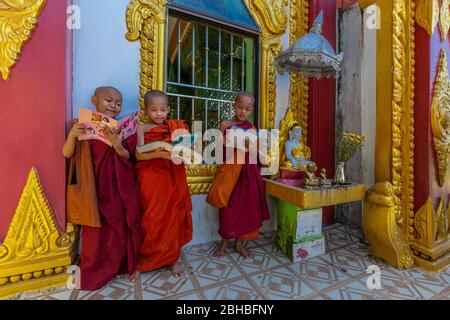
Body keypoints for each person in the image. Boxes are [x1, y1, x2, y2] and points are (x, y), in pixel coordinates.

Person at [63, 86, 142, 290]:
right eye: (109, 101)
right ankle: (94, 268)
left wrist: (116, 142)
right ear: (94, 100)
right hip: (92, 187)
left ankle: (118, 264)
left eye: (118, 103)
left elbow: (127, 157)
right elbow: (67, 153)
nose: (114, 106)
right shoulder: (81, 125)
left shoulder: (123, 129)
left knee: (117, 227)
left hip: (116, 187)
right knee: (94, 231)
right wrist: (72, 135)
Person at [135, 90, 192, 277]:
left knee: (172, 218)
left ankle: (172, 259)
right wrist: (159, 153)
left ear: (168, 109)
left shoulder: (176, 126)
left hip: (172, 178)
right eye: (154, 110)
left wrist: (184, 150)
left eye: (162, 110)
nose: (159, 114)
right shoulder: (141, 128)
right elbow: (139, 154)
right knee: (152, 218)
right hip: (151, 177)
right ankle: (147, 259)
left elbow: (187, 150)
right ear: (146, 110)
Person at [207, 92, 270, 259]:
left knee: (246, 210)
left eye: (247, 109)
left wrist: (251, 147)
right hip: (230, 173)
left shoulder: (252, 129)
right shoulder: (225, 125)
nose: (243, 112)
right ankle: (224, 242)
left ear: (252, 110)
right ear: (233, 106)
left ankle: (239, 243)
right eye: (240, 107)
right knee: (227, 209)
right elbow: (217, 150)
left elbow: (260, 155)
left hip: (248, 174)